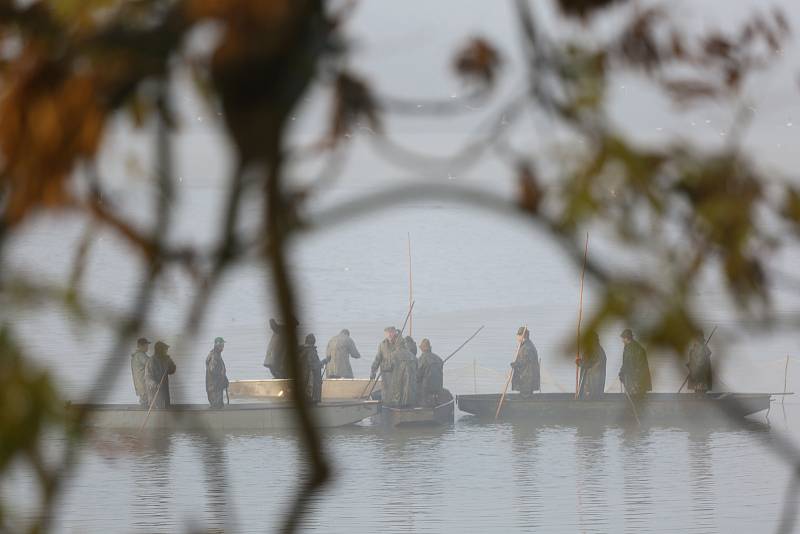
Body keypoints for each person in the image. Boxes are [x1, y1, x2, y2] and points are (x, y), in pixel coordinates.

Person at [388, 329, 418, 407]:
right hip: (412, 397)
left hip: (398, 393)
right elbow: (417, 371)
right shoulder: (413, 357)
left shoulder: (393, 355)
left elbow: (388, 369)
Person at [618, 329, 652, 397]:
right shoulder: (628, 347)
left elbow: (640, 367)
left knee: (637, 400)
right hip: (632, 380)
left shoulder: (636, 349)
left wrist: (636, 382)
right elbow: (626, 362)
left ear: (626, 338)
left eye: (623, 338)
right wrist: (622, 372)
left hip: (637, 382)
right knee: (633, 400)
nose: (622, 341)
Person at [145, 340, 177, 408]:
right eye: (165, 350)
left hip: (165, 392)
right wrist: (155, 384)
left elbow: (172, 371)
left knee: (166, 411)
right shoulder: (151, 361)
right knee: (157, 413)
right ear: (160, 350)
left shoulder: (165, 359)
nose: (166, 351)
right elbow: (148, 378)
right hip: (155, 393)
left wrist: (171, 364)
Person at [371, 327, 399, 403]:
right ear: (385, 334)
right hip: (385, 374)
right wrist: (373, 371)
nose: (389, 334)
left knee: (396, 391)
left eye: (391, 332)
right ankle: (385, 405)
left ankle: (394, 405)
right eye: (387, 333)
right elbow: (378, 359)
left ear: (394, 333)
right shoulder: (382, 345)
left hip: (396, 373)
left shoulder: (399, 343)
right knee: (385, 392)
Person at [511, 326, 540, 397]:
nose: (517, 337)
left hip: (527, 379)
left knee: (525, 396)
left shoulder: (527, 347)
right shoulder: (526, 345)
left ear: (522, 336)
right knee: (525, 395)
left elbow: (524, 362)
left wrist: (516, 364)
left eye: (518, 336)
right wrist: (515, 364)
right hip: (526, 379)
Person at [578, 332, 607, 399]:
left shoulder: (595, 349)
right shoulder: (597, 348)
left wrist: (580, 362)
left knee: (591, 398)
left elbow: (590, 362)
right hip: (594, 382)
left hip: (592, 382)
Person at [417, 338, 445, 407]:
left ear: (422, 349)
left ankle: (423, 405)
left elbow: (418, 375)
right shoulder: (438, 358)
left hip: (426, 388)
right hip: (438, 387)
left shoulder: (422, 358)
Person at [205, 337, 229, 409]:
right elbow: (212, 370)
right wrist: (222, 377)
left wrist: (224, 378)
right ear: (219, 346)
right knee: (217, 407)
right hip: (214, 389)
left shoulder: (216, 354)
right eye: (222, 345)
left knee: (219, 406)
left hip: (216, 387)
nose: (223, 347)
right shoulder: (214, 356)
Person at [299, 334, 323, 403]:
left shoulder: (303, 350)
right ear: (313, 342)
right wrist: (324, 361)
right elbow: (312, 364)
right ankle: (312, 400)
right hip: (311, 377)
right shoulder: (311, 351)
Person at [130, 337, 151, 406]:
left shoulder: (136, 355)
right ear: (142, 346)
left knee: (143, 401)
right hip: (143, 383)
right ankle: (144, 415)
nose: (148, 347)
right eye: (146, 345)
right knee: (146, 402)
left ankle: (143, 413)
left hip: (139, 383)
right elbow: (151, 363)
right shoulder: (140, 355)